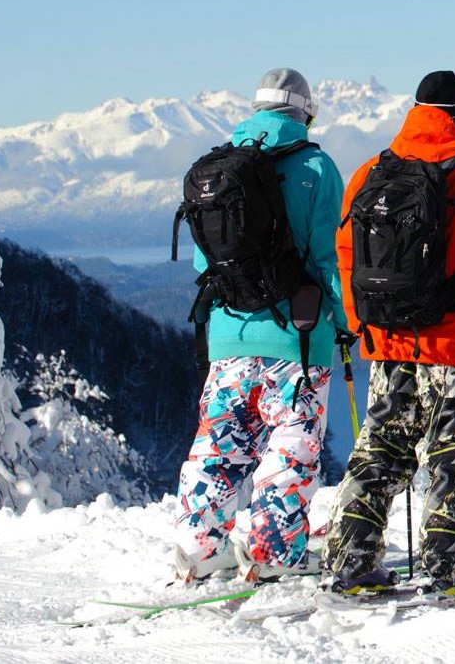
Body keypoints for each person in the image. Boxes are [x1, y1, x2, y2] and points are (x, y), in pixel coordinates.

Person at [321, 70, 455, 596]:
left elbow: (346, 261)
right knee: (454, 455)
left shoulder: (369, 173)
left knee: (381, 449)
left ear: (413, 110)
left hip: (389, 342)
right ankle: (450, 572)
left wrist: (364, 325)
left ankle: (350, 561)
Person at [174, 67, 350, 583]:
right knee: (291, 449)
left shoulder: (214, 169)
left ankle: (199, 547)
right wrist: (344, 323)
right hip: (298, 335)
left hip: (227, 333)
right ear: (305, 112)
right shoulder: (315, 166)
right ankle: (272, 553)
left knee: (220, 445)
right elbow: (328, 257)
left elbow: (203, 265)